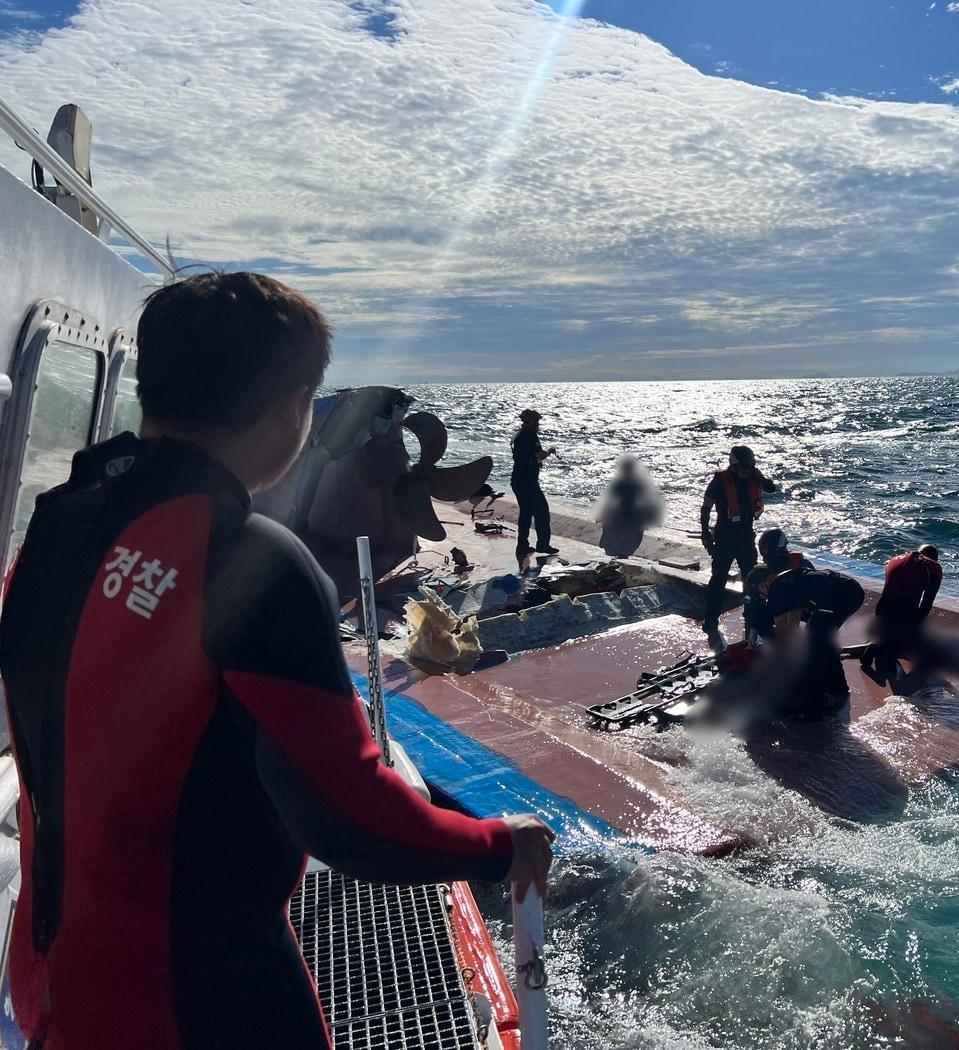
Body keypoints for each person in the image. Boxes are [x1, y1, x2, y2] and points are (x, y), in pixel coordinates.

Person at [0, 272, 555, 1050]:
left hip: (51, 977)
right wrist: (500, 844)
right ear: (293, 406)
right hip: (193, 1004)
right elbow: (349, 818)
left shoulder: (61, 516)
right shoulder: (250, 559)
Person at [745, 529, 864, 716]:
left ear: (765, 582)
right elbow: (792, 625)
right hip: (844, 592)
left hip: (840, 597)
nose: (762, 596)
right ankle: (837, 689)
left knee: (815, 645)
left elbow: (786, 637)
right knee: (819, 639)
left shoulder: (777, 590)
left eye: (760, 591)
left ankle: (813, 706)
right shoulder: (784, 581)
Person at [699, 445, 777, 634]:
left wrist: (760, 477)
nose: (746, 472)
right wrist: (705, 534)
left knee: (751, 579)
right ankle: (711, 620)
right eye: (743, 469)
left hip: (745, 535)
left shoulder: (754, 477)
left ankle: (752, 616)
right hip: (725, 536)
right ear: (733, 466)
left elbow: (771, 488)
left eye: (749, 469)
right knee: (718, 579)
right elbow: (706, 508)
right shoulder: (720, 481)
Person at [864, 544, 943, 683]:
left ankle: (883, 639)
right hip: (903, 613)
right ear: (934, 558)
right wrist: (916, 630)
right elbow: (927, 603)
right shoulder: (933, 567)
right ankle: (881, 646)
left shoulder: (896, 559)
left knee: (890, 631)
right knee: (909, 642)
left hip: (882, 609)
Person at [511, 408, 558, 560]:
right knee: (541, 511)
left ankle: (522, 545)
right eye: (536, 422)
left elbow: (526, 457)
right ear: (530, 422)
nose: (538, 425)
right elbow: (539, 455)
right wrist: (549, 451)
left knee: (526, 513)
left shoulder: (519, 436)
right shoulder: (530, 436)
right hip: (527, 482)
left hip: (518, 480)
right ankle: (542, 544)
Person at [599, 454, 662, 557]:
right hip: (633, 514)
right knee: (630, 538)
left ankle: (616, 554)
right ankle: (623, 555)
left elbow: (610, 501)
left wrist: (603, 515)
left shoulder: (619, 483)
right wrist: (653, 517)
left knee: (612, 533)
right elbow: (647, 500)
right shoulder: (638, 483)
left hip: (620, 513)